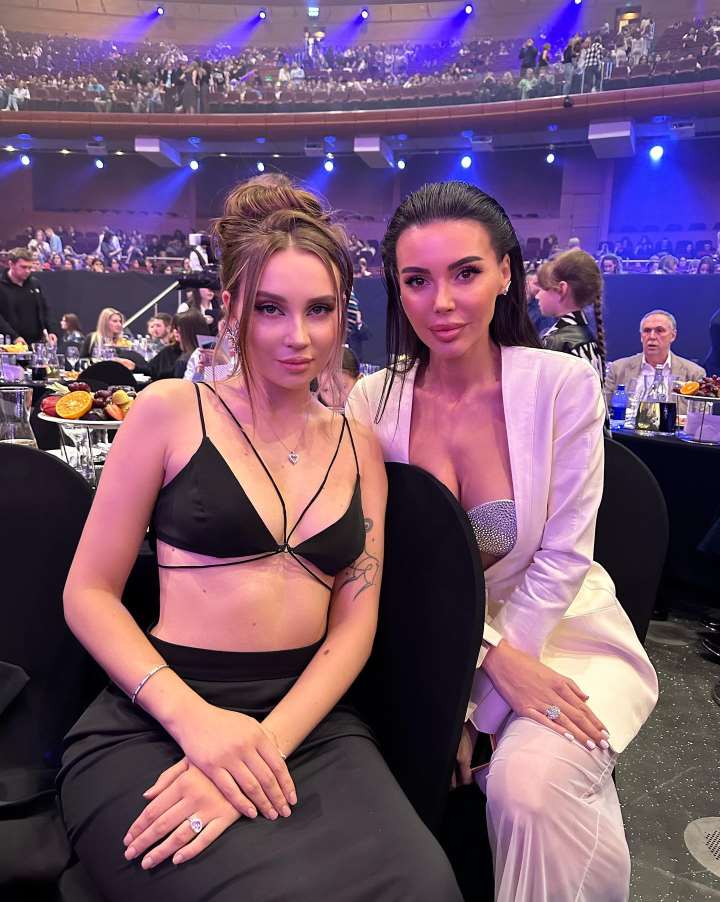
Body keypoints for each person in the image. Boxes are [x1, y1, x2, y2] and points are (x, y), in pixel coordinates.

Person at [57, 173, 465, 900]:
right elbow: (87, 593)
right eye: (270, 308)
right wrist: (198, 726)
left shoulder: (360, 446)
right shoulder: (171, 411)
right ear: (232, 307)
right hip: (159, 716)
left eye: (319, 310)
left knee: (425, 884)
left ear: (343, 314)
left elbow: (355, 624)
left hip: (308, 725)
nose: (297, 337)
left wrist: (263, 745)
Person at [347, 181, 658, 902]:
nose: (442, 302)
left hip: (561, 634)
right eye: (417, 281)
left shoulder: (562, 387)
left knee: (527, 787)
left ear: (506, 273)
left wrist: (482, 712)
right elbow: (388, 569)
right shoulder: (373, 401)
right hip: (428, 647)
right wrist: (472, 679)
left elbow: (563, 557)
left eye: (465, 272)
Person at [604, 309, 706, 414]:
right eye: (647, 330)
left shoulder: (694, 373)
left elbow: (701, 417)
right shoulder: (618, 369)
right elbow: (603, 411)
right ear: (641, 336)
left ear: (673, 335)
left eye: (660, 330)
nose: (652, 336)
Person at [537, 249, 606, 381]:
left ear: (562, 289)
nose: (537, 295)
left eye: (543, 288)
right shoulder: (587, 337)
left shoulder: (558, 342)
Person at [0, 247, 54, 344]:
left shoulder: (34, 284)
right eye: (23, 267)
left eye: (30, 267)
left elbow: (44, 309)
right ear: (11, 264)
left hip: (36, 343)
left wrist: (51, 331)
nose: (28, 271)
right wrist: (14, 336)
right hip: (9, 344)